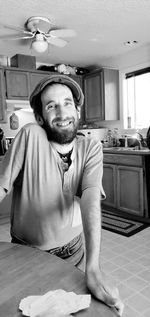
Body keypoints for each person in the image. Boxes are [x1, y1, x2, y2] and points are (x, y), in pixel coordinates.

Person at [0, 74, 124, 316]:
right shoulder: (30, 136)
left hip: (74, 251)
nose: (62, 111)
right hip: (28, 252)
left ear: (77, 110)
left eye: (68, 103)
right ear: (39, 117)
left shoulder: (90, 147)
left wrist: (94, 267)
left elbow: (90, 198)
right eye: (51, 106)